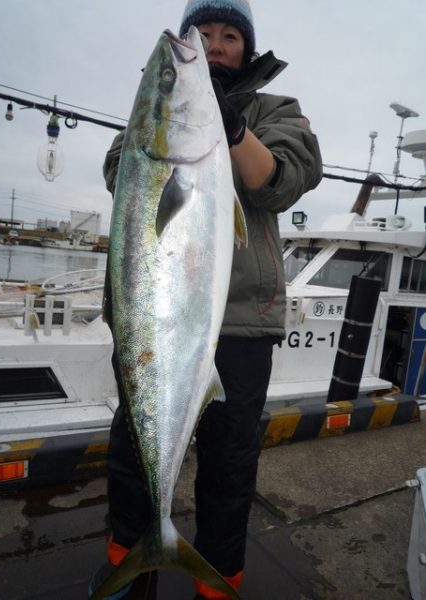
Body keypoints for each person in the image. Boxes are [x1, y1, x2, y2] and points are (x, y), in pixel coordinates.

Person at [91, 1, 322, 598]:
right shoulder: (151, 120)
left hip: (241, 324)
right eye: (203, 33)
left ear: (246, 47)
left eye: (228, 36)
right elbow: (122, 169)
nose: (213, 46)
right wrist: (171, 118)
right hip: (150, 325)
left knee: (229, 467)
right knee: (132, 455)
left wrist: (233, 128)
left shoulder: (275, 111)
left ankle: (217, 583)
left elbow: (284, 180)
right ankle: (128, 564)